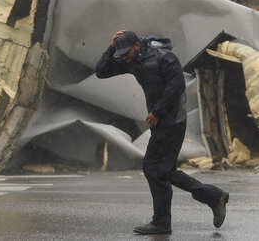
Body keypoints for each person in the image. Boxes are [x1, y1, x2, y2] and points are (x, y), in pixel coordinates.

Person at [95, 30, 229, 235]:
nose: (124, 57)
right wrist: (111, 47)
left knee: (156, 168)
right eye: (120, 54)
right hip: (160, 121)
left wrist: (158, 111)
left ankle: (183, 211)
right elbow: (101, 72)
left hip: (173, 119)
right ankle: (187, 209)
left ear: (137, 45)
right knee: (159, 169)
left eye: (126, 52)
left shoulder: (163, 57)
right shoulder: (130, 59)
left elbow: (176, 86)